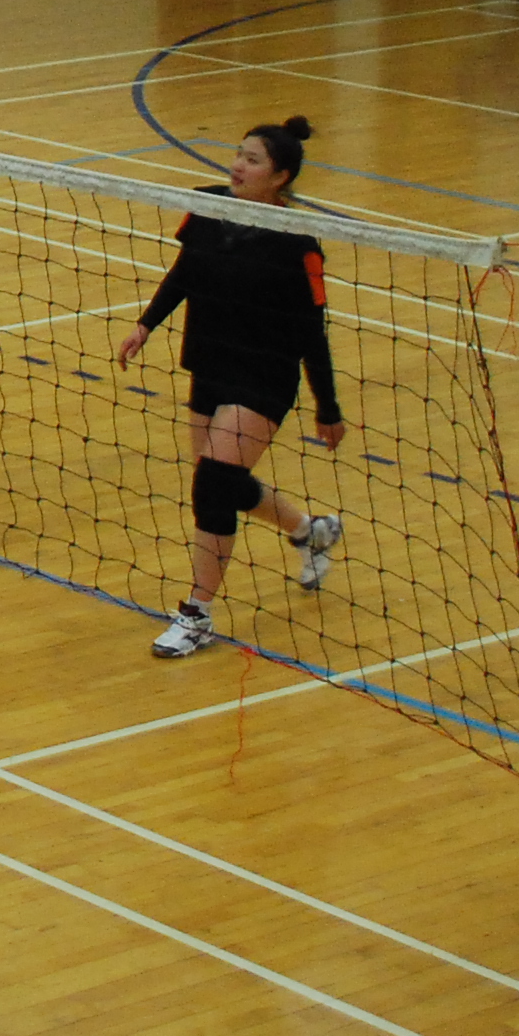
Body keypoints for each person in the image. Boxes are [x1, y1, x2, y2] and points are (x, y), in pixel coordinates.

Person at [114, 115, 347, 658]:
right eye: (238, 155)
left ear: (280, 177)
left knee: (213, 486)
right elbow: (185, 272)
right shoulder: (207, 205)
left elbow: (311, 332)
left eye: (252, 160)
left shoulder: (297, 244)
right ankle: (310, 530)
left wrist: (328, 406)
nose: (237, 166)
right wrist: (146, 325)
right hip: (209, 362)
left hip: (264, 376)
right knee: (220, 480)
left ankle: (196, 614)